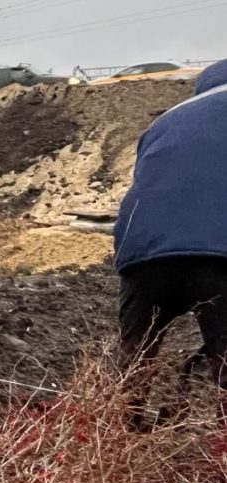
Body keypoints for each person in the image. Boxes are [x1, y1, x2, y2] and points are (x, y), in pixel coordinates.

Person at [113, 60, 227, 406]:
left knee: (134, 356)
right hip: (218, 250)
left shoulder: (164, 121)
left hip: (143, 248)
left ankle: (116, 439)